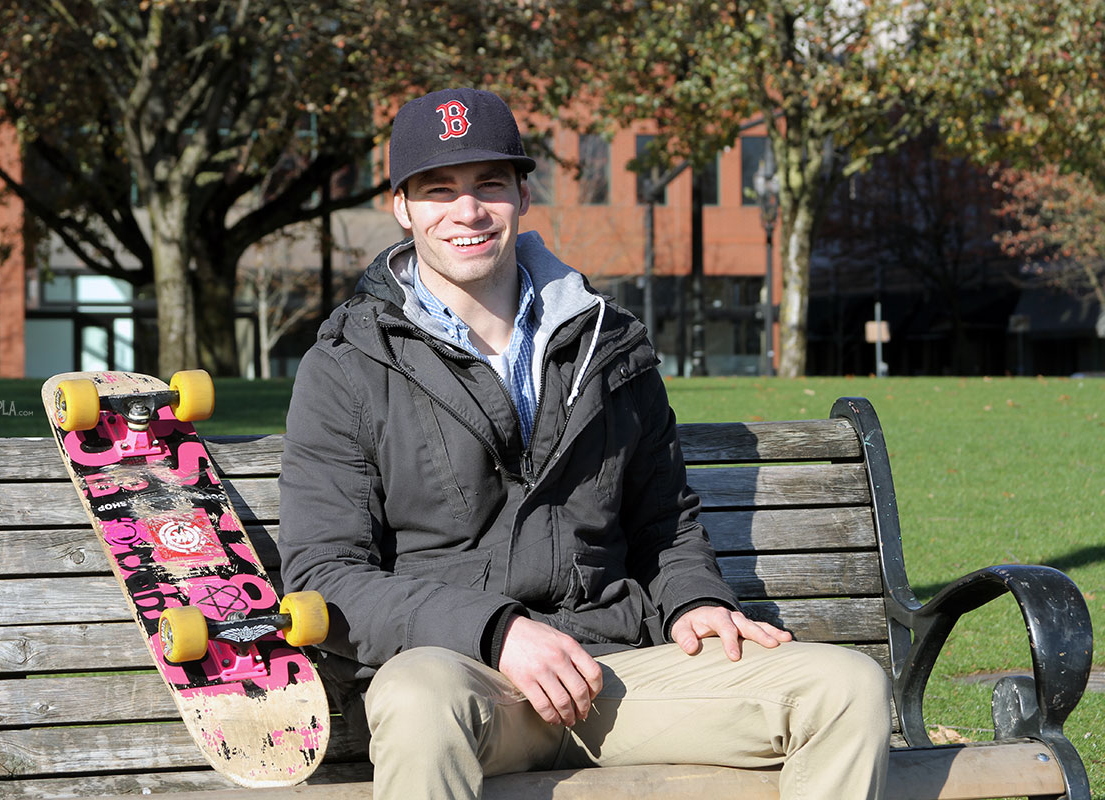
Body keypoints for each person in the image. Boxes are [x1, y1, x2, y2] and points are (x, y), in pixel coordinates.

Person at [278, 87, 891, 799]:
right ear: (402, 208)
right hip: (461, 680)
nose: (467, 211)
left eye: (489, 186)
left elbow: (664, 522)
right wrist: (496, 632)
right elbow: (324, 574)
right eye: (438, 190)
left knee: (845, 686)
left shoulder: (610, 342)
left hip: (618, 675)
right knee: (415, 697)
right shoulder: (349, 361)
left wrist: (694, 601)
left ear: (522, 195)